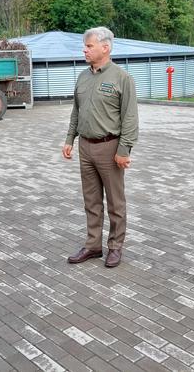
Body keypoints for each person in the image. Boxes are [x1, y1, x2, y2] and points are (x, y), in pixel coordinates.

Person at [62, 27, 139, 268]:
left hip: (110, 148)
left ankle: (115, 247)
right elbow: (77, 111)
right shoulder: (83, 77)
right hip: (86, 147)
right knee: (91, 200)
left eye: (89, 46)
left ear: (105, 48)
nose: (84, 50)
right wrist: (69, 139)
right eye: (85, 46)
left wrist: (124, 150)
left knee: (116, 202)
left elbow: (130, 118)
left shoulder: (121, 78)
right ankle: (93, 245)